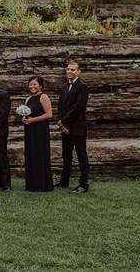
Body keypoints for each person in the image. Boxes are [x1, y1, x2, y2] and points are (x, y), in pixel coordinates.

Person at [57, 60, 90, 194]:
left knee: (81, 155)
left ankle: (83, 184)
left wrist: (64, 122)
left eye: (73, 70)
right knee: (66, 155)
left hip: (77, 127)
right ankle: (64, 181)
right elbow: (61, 106)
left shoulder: (82, 86)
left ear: (78, 72)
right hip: (66, 128)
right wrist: (61, 123)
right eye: (68, 69)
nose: (69, 71)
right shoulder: (64, 86)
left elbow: (78, 108)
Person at [21, 76, 54, 192]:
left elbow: (49, 114)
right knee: (31, 154)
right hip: (30, 130)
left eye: (34, 84)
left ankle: (42, 183)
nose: (32, 86)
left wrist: (33, 120)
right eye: (30, 84)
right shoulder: (28, 99)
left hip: (40, 130)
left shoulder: (43, 97)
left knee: (40, 154)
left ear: (40, 86)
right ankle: (32, 183)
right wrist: (24, 119)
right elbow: (26, 114)